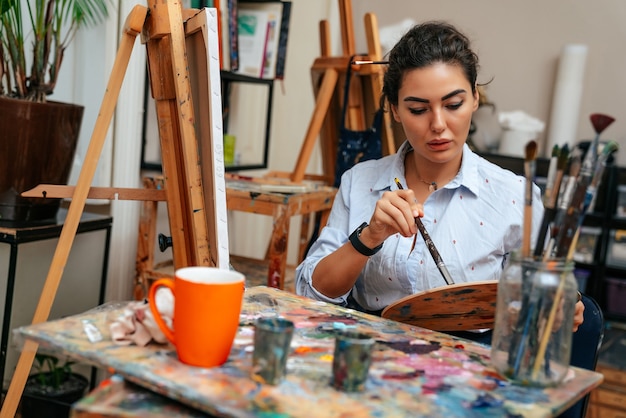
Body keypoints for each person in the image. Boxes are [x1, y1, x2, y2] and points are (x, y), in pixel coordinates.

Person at [295, 21, 584, 337]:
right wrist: (370, 237)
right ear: (394, 110)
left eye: (453, 104)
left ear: (475, 98)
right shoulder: (360, 182)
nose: (438, 124)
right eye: (418, 109)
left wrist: (558, 306)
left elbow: (545, 299)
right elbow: (312, 295)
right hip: (372, 356)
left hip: (472, 366)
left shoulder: (514, 196)